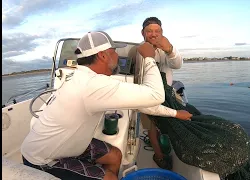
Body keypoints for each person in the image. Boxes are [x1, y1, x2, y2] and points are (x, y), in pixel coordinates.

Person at [21, 31, 165, 180]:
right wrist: (149, 58)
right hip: (42, 159)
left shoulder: (80, 76)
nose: (118, 58)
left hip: (69, 145)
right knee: (110, 178)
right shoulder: (92, 85)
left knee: (115, 156)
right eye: (114, 52)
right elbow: (156, 95)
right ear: (103, 55)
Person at [136, 17, 192, 170]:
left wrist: (170, 50)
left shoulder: (167, 47)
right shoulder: (140, 50)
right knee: (152, 126)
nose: (153, 34)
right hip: (148, 95)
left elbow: (178, 64)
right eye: (149, 31)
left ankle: (164, 142)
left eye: (157, 31)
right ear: (143, 33)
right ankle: (159, 156)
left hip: (167, 95)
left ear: (162, 32)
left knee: (166, 123)